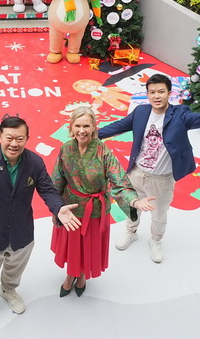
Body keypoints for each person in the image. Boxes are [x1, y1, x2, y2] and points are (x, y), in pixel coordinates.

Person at [98, 73, 200, 263]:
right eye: (152, 92)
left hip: (161, 179)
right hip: (136, 173)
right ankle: (131, 231)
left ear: (169, 93)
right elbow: (118, 126)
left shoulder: (180, 114)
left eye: (161, 91)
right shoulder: (141, 112)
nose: (156, 96)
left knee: (159, 214)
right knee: (131, 206)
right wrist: (91, 134)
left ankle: (156, 240)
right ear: (147, 94)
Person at [0, 116, 81, 331]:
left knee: (15, 267)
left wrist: (58, 208)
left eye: (20, 138)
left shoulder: (34, 162)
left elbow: (47, 189)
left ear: (27, 138)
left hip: (22, 230)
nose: (14, 144)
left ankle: (8, 290)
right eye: (9, 138)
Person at [50, 106, 155, 297]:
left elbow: (119, 181)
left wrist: (134, 201)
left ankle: (81, 275)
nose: (82, 131)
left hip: (95, 211)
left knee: (87, 246)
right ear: (71, 127)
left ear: (94, 127)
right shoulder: (66, 149)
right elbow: (57, 179)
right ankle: (70, 274)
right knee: (73, 246)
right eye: (77, 126)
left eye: (86, 126)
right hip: (70, 209)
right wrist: (56, 208)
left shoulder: (103, 152)